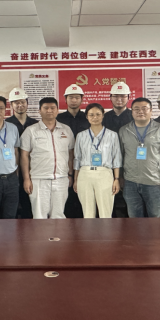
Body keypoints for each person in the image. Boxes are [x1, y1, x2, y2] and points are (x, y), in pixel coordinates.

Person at [119, 98, 160, 218]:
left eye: (144, 108)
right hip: (130, 182)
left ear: (151, 111)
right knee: (134, 219)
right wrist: (119, 177)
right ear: (132, 112)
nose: (140, 111)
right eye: (136, 109)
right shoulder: (124, 130)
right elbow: (119, 156)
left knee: (155, 219)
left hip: (154, 183)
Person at [20, 98, 75, 219]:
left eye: (52, 108)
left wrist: (70, 175)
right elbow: (24, 156)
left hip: (61, 179)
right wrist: (26, 179)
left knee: (58, 216)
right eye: (46, 108)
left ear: (57, 110)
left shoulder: (66, 130)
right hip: (39, 180)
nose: (49, 110)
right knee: (39, 216)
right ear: (39, 110)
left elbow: (71, 154)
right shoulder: (31, 131)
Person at [73, 103, 122, 218]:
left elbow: (116, 158)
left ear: (103, 115)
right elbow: (77, 158)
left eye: (98, 114)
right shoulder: (81, 136)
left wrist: (116, 179)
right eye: (91, 115)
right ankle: (89, 231)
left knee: (106, 212)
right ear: (87, 116)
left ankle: (106, 231)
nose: (95, 117)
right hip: (85, 174)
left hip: (104, 174)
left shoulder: (112, 135)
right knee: (88, 213)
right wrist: (75, 179)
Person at [57, 84, 90, 219]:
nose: (74, 100)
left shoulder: (88, 117)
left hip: (85, 162)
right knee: (67, 199)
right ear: (65, 99)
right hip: (64, 162)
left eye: (77, 97)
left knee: (84, 198)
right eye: (71, 97)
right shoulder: (59, 118)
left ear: (82, 99)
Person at [5, 87, 38, 219]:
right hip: (12, 170)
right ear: (11, 105)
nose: (20, 105)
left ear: (27, 103)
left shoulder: (35, 124)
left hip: (33, 169)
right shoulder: (6, 124)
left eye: (22, 102)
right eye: (16, 102)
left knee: (30, 204)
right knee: (12, 205)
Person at [103, 81, 133, 218]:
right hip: (108, 165)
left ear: (128, 97)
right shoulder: (104, 117)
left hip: (130, 164)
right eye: (116, 96)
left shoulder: (134, 116)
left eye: (123, 96)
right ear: (110, 97)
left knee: (130, 203)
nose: (119, 99)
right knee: (110, 202)